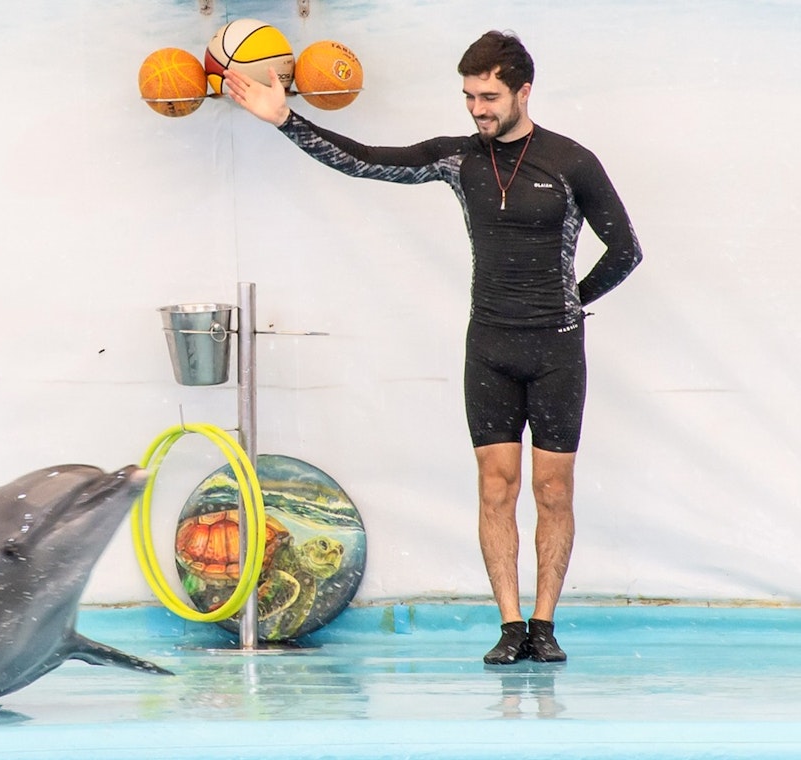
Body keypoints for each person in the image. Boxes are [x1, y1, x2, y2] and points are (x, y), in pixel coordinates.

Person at [223, 31, 641, 664]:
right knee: (496, 486)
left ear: (524, 92)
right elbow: (366, 160)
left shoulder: (570, 162)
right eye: (469, 96)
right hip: (489, 345)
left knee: (553, 490)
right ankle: (510, 625)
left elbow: (626, 250)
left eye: (489, 97)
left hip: (556, 350)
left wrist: (570, 302)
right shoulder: (458, 159)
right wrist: (286, 120)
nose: (477, 109)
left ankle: (545, 623)